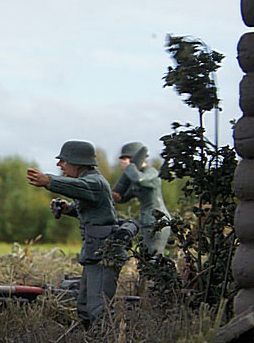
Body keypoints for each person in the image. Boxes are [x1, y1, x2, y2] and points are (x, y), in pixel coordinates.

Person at [27, 140, 120, 328]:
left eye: (63, 161)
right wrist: (68, 208)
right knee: (85, 307)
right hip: (95, 253)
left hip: (104, 255)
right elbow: (90, 209)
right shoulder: (90, 183)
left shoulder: (94, 183)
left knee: (98, 309)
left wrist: (49, 181)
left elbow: (80, 187)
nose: (59, 165)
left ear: (77, 163)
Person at [112, 142, 169, 255]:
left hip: (158, 221)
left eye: (126, 158)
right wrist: (116, 197)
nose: (123, 162)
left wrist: (129, 168)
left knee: (155, 255)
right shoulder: (133, 176)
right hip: (146, 220)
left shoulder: (150, 172)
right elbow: (125, 196)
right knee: (148, 254)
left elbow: (140, 180)